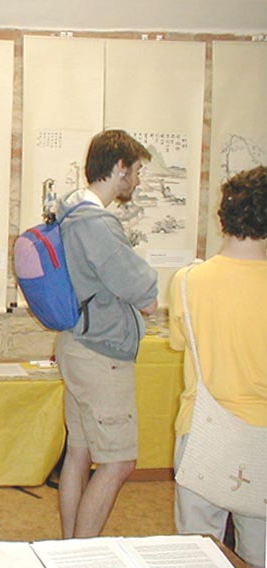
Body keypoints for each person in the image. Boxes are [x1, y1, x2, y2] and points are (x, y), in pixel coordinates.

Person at [54, 129, 158, 538]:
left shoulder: (69, 213)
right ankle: (81, 555)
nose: (137, 180)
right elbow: (145, 293)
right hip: (102, 355)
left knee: (78, 453)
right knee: (118, 461)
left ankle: (69, 550)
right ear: (119, 168)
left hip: (77, 344)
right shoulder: (96, 223)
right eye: (136, 171)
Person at [168, 165, 267, 568]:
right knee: (260, 551)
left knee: (198, 552)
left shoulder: (187, 281)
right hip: (262, 436)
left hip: (201, 430)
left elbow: (179, 342)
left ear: (224, 214)